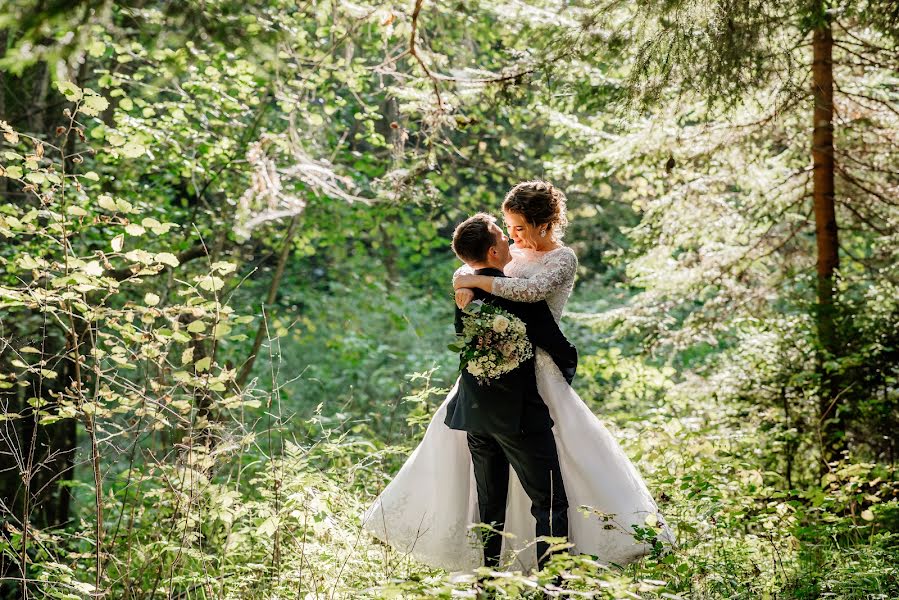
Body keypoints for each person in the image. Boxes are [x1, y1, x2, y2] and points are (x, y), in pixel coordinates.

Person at [363, 181, 672, 572]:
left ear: (545, 225)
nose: (513, 236)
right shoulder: (507, 252)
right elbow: (471, 264)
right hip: (491, 378)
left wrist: (475, 281)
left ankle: (554, 571)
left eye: (521, 227)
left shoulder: (562, 259)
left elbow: (530, 291)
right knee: (484, 487)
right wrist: (468, 279)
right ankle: (496, 573)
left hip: (538, 374)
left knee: (560, 475)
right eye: (508, 227)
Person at [443, 213, 576, 570]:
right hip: (520, 417)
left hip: (474, 414)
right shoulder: (520, 300)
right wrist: (562, 380)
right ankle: (555, 588)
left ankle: (486, 583)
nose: (509, 241)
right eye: (502, 236)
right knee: (550, 504)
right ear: (492, 250)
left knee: (489, 506)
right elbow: (557, 345)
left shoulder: (464, 294)